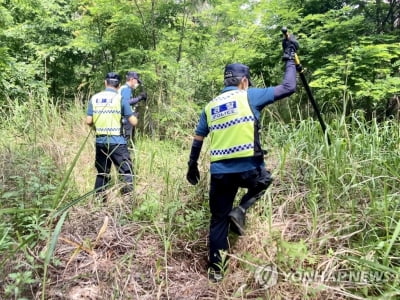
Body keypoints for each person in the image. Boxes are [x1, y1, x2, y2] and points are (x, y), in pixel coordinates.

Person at [186, 34, 299, 281]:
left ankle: (216, 273)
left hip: (220, 173)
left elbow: (198, 139)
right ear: (244, 81)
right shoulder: (249, 96)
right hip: (249, 169)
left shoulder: (210, 106)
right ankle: (242, 209)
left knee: (217, 220)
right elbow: (289, 87)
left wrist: (192, 164)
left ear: (226, 80)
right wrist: (290, 59)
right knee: (265, 180)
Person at [86, 72, 138, 200]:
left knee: (102, 173)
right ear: (119, 85)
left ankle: (99, 201)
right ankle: (127, 203)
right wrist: (135, 115)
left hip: (100, 141)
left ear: (105, 83)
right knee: (126, 172)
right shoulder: (120, 99)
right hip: (117, 142)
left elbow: (88, 121)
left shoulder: (94, 98)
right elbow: (133, 122)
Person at [119, 71, 147, 143]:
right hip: (125, 119)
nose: (137, 83)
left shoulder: (125, 88)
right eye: (137, 81)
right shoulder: (126, 89)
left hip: (123, 118)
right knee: (126, 139)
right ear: (132, 79)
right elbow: (126, 103)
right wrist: (139, 98)